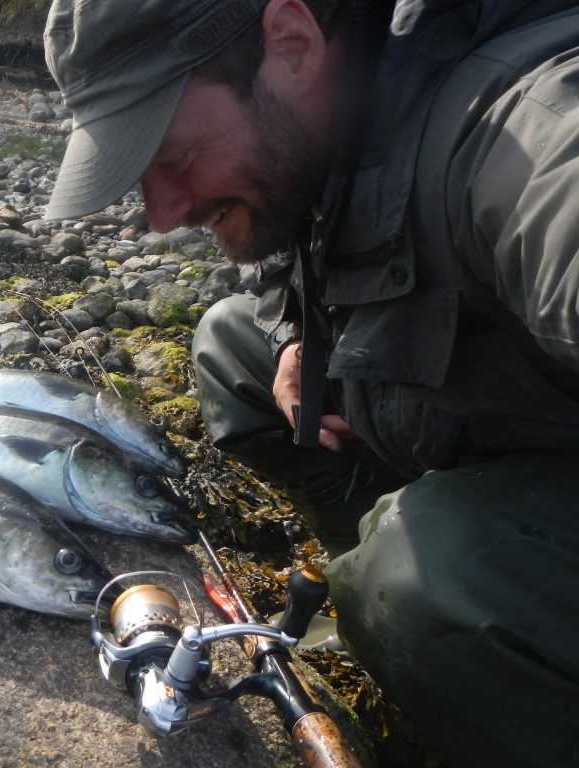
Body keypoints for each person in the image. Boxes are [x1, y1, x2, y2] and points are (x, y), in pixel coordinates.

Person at [42, 0, 579, 765]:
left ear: (291, 44)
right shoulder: (343, 102)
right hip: (511, 434)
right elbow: (309, 229)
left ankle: (436, 614)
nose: (160, 215)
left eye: (173, 156)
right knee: (233, 347)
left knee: (423, 566)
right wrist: (300, 331)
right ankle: (395, 620)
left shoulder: (528, 137)